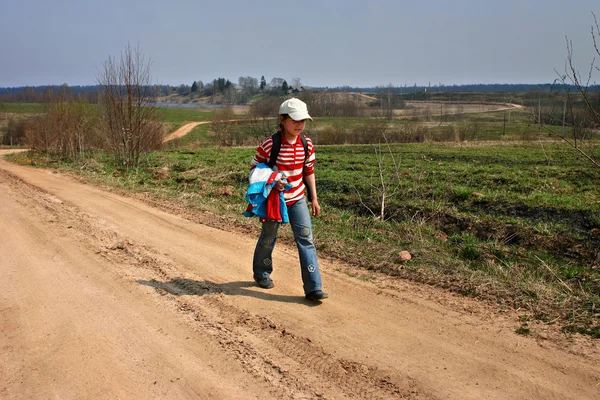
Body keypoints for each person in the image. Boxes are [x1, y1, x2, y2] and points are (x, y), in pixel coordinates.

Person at [250, 98, 328, 302]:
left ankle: (313, 287)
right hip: (274, 201)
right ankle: (262, 273)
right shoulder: (270, 144)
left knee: (306, 240)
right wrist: (272, 181)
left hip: (298, 199)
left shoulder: (306, 144)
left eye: (303, 121)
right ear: (283, 120)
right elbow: (254, 169)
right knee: (269, 237)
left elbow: (309, 171)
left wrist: (314, 199)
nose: (300, 125)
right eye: (295, 120)